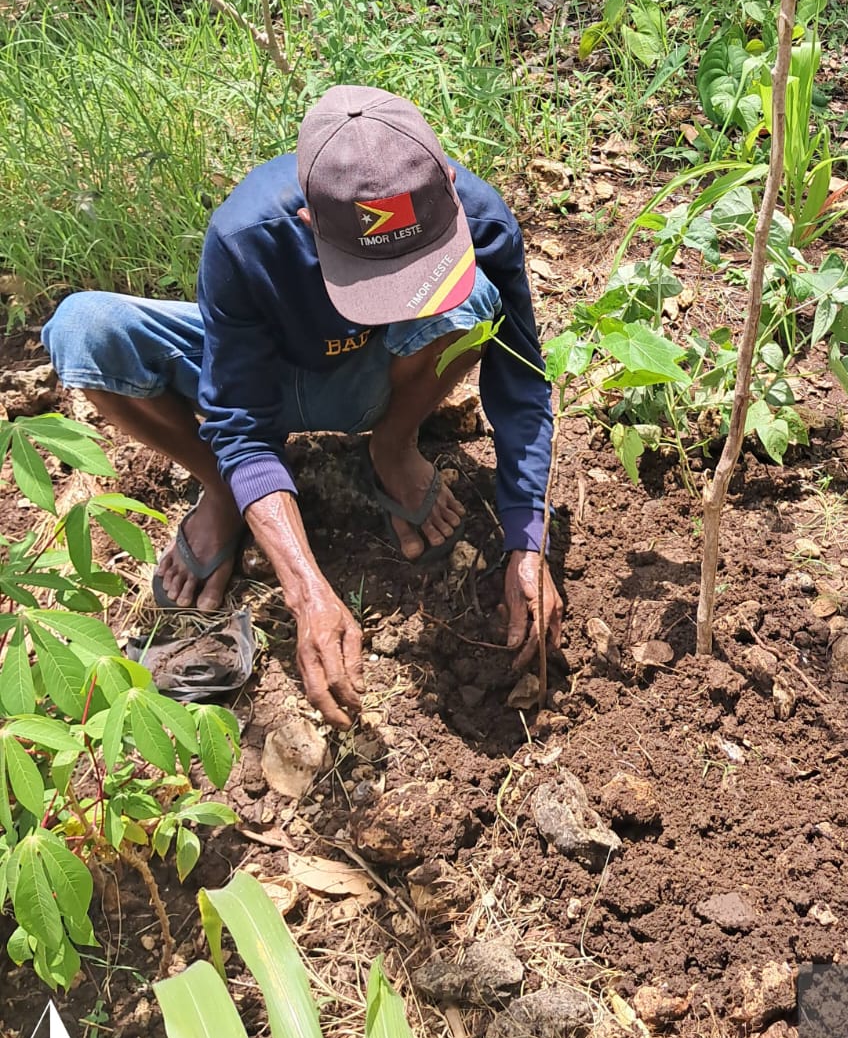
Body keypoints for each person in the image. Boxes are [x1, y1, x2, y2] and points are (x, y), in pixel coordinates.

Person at [42, 86, 563, 727]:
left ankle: (393, 445)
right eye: (378, 282)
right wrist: (307, 591)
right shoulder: (245, 236)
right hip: (258, 371)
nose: (400, 297)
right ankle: (224, 492)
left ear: (449, 185)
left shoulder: (482, 221)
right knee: (83, 329)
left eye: (417, 270)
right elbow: (238, 419)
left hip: (380, 377)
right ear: (311, 222)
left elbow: (522, 380)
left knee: (479, 299)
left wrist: (527, 540)